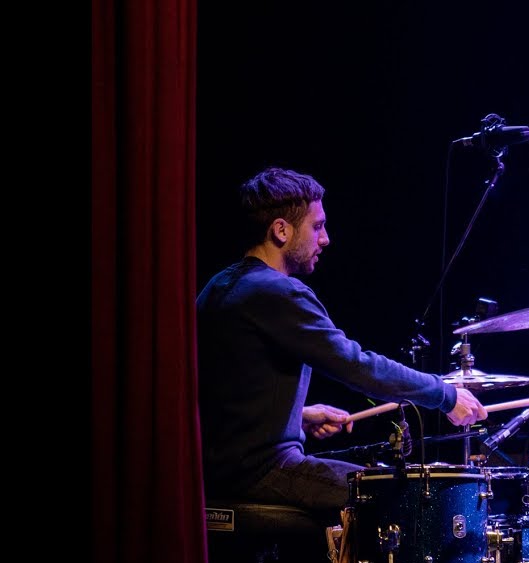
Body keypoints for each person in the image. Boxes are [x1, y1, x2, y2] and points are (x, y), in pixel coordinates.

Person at [197, 167, 488, 523]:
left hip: (212, 470)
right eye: (317, 226)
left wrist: (297, 418)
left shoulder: (218, 286)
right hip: (261, 471)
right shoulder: (278, 292)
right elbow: (357, 365)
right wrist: (444, 395)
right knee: (407, 498)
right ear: (281, 230)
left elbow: (223, 395)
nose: (325, 239)